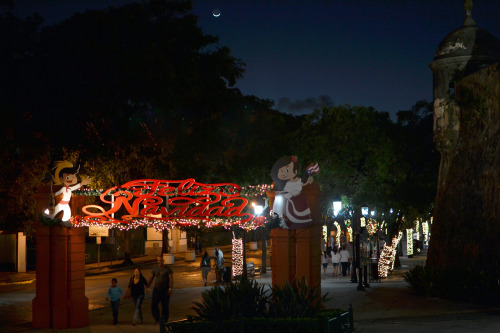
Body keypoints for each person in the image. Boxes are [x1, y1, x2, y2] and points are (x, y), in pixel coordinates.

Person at [270, 156, 313, 229]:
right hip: (282, 198)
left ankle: (289, 221)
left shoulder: (295, 182)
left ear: (295, 172)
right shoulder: (280, 185)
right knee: (278, 203)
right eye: (281, 170)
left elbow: (301, 185)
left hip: (292, 200)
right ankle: (278, 220)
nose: (283, 173)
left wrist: (308, 181)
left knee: (288, 208)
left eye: (287, 170)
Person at [48, 160, 91, 227]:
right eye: (67, 177)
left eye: (73, 176)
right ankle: (49, 218)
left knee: (68, 213)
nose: (71, 179)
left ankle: (64, 221)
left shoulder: (69, 189)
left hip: (66, 204)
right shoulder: (63, 188)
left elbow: (75, 186)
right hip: (62, 203)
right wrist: (54, 195)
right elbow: (57, 193)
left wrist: (81, 183)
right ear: (61, 179)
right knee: (56, 210)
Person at [148, 256, 174, 325]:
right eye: (158, 260)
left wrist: (170, 288)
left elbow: (171, 279)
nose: (160, 262)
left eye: (161, 260)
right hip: (157, 289)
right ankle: (157, 318)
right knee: (154, 304)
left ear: (163, 261)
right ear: (157, 261)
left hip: (165, 289)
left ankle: (164, 319)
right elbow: (151, 277)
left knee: (165, 305)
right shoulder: (155, 268)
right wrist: (147, 286)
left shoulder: (167, 269)